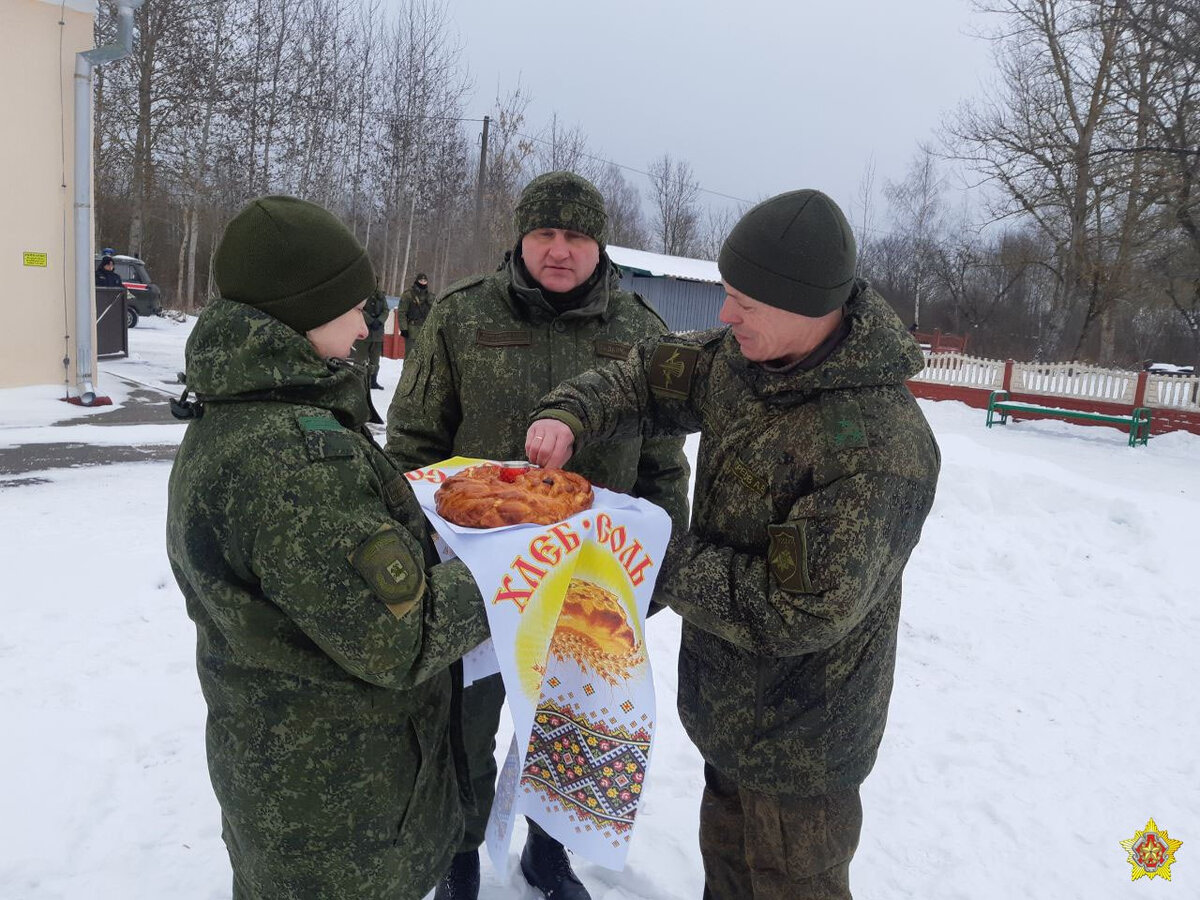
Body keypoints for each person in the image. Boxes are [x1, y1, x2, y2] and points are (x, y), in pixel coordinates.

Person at [526, 189, 941, 900]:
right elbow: (642, 377)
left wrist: (649, 550)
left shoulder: (876, 446)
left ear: (810, 306)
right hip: (727, 713)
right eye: (727, 293)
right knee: (728, 877)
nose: (725, 315)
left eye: (744, 302)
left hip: (802, 744)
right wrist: (571, 414)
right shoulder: (743, 360)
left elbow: (798, 610)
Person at [166, 195, 491, 900]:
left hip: (288, 782)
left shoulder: (245, 416)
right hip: (343, 818)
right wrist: (510, 566)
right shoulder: (297, 459)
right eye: (358, 308)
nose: (367, 328)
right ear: (302, 313)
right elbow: (401, 640)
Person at [386, 171, 691, 900]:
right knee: (464, 723)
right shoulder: (461, 315)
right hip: (475, 577)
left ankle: (549, 855)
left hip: (589, 577)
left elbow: (662, 462)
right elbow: (413, 442)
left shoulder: (640, 330)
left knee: (571, 720)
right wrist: (420, 550)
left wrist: (652, 570)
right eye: (544, 234)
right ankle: (457, 857)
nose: (559, 251)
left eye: (576, 236)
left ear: (598, 244)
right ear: (521, 238)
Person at [354, 285, 389, 389]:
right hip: (363, 330)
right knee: (360, 359)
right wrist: (370, 320)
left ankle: (373, 381)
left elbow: (386, 310)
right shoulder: (362, 293)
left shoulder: (381, 296)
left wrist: (379, 321)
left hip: (377, 332)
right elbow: (359, 309)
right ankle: (357, 381)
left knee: (375, 360)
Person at [397, 271, 434, 353]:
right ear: (417, 281)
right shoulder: (408, 295)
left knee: (424, 356)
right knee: (410, 357)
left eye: (425, 281)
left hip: (426, 330)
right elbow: (401, 313)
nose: (423, 283)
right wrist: (404, 329)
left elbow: (435, 313)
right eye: (421, 281)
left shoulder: (431, 296)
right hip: (412, 330)